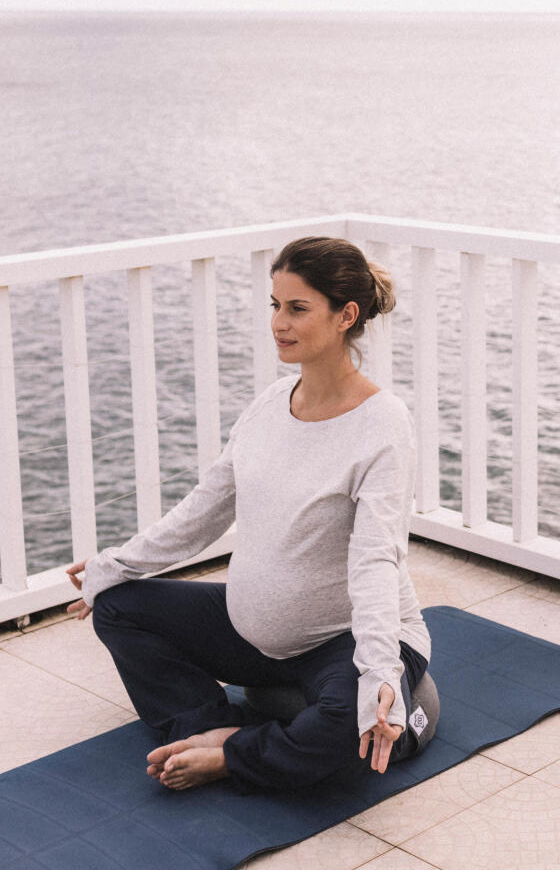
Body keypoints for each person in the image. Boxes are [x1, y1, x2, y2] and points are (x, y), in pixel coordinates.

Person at [65, 236, 431, 792]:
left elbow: (378, 558)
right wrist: (115, 565)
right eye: (275, 305)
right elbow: (205, 508)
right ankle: (204, 729)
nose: (279, 322)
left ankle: (228, 754)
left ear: (345, 316)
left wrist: (381, 670)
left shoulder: (383, 424)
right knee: (117, 606)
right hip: (251, 634)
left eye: (298, 308)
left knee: (350, 730)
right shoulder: (269, 403)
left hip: (345, 638)